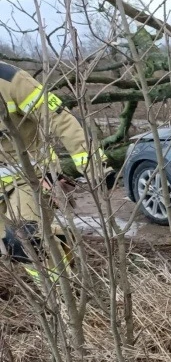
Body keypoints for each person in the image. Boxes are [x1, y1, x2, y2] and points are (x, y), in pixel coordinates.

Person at [0, 60, 108, 280]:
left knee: (26, 241)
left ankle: (62, 299)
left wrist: (94, 166)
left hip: (30, 177)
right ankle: (58, 238)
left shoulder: (11, 80)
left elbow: (60, 118)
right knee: (8, 246)